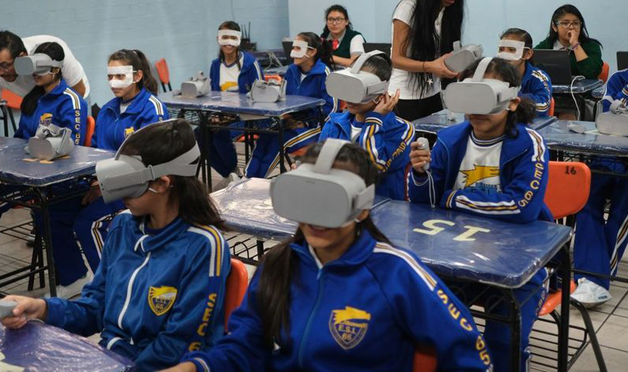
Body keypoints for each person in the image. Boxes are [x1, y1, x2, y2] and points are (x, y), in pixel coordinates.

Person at [163, 141, 492, 372]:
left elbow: (468, 350)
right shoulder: (278, 263)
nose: (316, 217)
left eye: (332, 201)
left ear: (362, 208)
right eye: (308, 199)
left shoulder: (396, 273)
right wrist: (196, 367)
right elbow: (245, 344)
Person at [1, 119, 230, 372]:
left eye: (129, 182)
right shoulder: (122, 226)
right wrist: (42, 309)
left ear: (162, 183)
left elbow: (178, 347)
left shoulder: (203, 245)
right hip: (110, 360)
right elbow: (95, 309)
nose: (119, 192)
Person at [408, 57, 550, 371]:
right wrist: (420, 175)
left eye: (486, 98)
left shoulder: (530, 145)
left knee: (504, 342)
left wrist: (454, 198)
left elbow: (522, 208)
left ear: (512, 102)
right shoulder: (449, 140)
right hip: (455, 262)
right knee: (434, 331)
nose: (476, 109)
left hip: (518, 269)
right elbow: (425, 207)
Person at [72, 48, 168, 275]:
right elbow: (94, 151)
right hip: (107, 185)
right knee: (56, 212)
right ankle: (73, 277)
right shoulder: (107, 110)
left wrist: (106, 185)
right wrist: (95, 181)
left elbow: (152, 162)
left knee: (89, 224)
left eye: (120, 76)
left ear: (137, 76)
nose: (113, 82)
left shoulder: (152, 109)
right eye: (110, 76)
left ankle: (111, 281)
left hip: (140, 188)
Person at [11, 41, 91, 296]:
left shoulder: (71, 100)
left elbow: (73, 145)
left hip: (64, 182)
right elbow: (20, 139)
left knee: (51, 217)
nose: (35, 73)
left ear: (56, 69)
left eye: (41, 67)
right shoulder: (32, 100)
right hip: (30, 176)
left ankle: (75, 277)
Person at [571, 51, 628, 307]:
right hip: (611, 153)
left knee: (626, 201)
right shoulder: (621, 77)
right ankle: (592, 279)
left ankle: (593, 280)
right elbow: (606, 115)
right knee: (586, 198)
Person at [319, 51, 413, 200]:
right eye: (349, 86)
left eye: (359, 89)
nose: (350, 97)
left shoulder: (403, 130)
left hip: (382, 206)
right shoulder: (334, 124)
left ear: (381, 92)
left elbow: (372, 169)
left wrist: (374, 120)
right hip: (340, 202)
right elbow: (321, 167)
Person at [245, 32, 338, 178]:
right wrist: (286, 116)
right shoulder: (291, 70)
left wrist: (305, 122)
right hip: (290, 122)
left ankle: (257, 181)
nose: (293, 52)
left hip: (316, 127)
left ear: (312, 52)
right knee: (264, 138)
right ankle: (245, 179)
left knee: (279, 142)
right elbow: (285, 100)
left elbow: (332, 109)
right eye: (293, 47)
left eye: (298, 48)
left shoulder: (324, 74)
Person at [389, 0, 466, 121]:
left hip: (433, 93)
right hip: (404, 97)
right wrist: (430, 66)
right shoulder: (408, 8)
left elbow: (443, 55)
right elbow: (396, 59)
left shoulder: (447, 10)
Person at [205, 21, 263, 184]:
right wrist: (215, 115)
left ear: (238, 39)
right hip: (223, 115)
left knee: (219, 134)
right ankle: (231, 174)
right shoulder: (215, 65)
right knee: (199, 134)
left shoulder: (250, 63)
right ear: (218, 39)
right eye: (225, 37)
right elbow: (214, 94)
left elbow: (261, 94)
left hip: (246, 116)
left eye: (232, 37)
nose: (228, 42)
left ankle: (232, 172)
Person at [0, 31, 90, 100]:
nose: (0, 72)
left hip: (72, 96)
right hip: (36, 102)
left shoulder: (53, 55)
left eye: (5, 65)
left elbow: (79, 92)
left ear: (22, 57)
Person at [535, 4, 603, 79]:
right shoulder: (547, 45)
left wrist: (575, 44)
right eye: (565, 23)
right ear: (554, 27)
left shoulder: (591, 46)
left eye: (576, 23)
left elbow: (591, 73)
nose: (571, 27)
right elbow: (532, 67)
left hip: (583, 86)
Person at [498, 28, 552, 116]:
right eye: (501, 49)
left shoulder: (539, 77)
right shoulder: (493, 75)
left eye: (512, 50)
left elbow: (543, 106)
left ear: (528, 54)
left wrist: (512, 95)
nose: (505, 55)